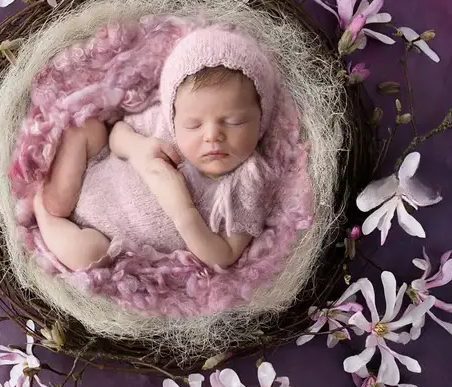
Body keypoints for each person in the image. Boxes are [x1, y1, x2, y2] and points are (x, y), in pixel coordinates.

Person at [33, 25, 276, 271]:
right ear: (174, 116)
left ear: (261, 119)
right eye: (193, 125)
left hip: (100, 237)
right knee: (92, 129)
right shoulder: (163, 125)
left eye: (234, 122)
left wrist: (183, 211)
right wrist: (139, 147)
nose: (212, 135)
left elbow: (225, 254)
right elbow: (117, 134)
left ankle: (44, 215)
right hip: (94, 170)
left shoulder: (251, 179)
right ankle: (54, 198)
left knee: (90, 255)